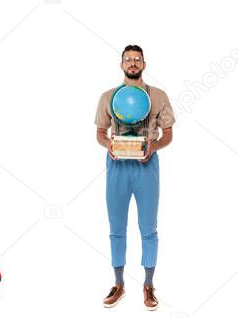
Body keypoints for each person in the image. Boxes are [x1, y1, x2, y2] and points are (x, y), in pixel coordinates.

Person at [96, 45, 175, 311]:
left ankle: (148, 285)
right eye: (128, 59)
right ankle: (118, 284)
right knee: (116, 229)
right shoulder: (108, 97)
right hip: (117, 167)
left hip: (147, 167)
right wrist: (109, 145)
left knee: (148, 229)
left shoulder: (159, 96)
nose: (132, 63)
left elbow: (168, 135)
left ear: (144, 63)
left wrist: (153, 147)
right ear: (121, 65)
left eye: (137, 59)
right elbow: (100, 133)